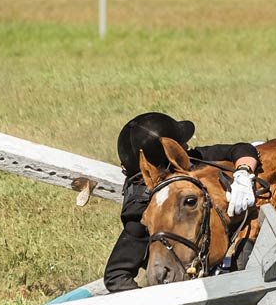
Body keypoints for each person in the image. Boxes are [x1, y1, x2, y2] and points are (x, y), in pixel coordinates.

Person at [103, 111, 260, 292]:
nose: (187, 146)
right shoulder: (141, 209)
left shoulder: (186, 163)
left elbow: (241, 149)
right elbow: (116, 276)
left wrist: (243, 172)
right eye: (182, 145)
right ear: (170, 158)